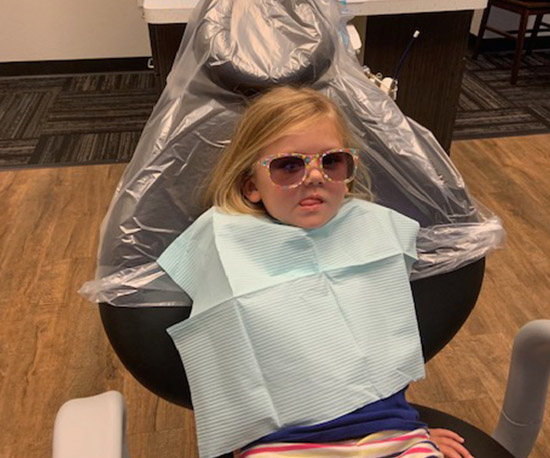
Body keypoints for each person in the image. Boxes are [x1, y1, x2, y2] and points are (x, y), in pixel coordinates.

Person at [158, 86, 473, 458]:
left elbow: (381, 346)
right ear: (250, 186)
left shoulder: (375, 231)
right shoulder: (223, 239)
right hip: (278, 444)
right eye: (288, 165)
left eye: (332, 161)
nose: (313, 177)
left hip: (388, 429)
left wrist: (412, 430)